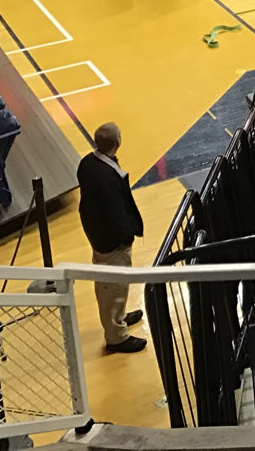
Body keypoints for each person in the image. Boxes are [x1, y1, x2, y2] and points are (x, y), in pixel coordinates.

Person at [77, 123, 146, 353]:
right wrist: (126, 236)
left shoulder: (88, 162)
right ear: (118, 142)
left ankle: (120, 316)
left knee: (114, 286)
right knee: (112, 286)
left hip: (99, 235)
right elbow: (114, 211)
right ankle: (117, 336)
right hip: (111, 241)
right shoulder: (106, 176)